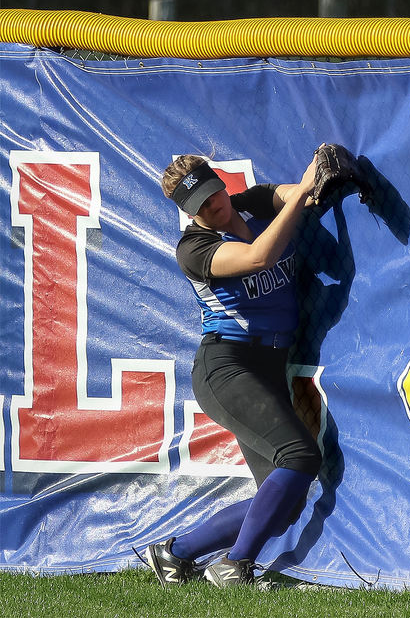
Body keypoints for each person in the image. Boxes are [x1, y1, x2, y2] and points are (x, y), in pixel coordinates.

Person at [144, 153, 323, 587]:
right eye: (200, 206)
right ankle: (235, 566)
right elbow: (260, 257)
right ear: (188, 213)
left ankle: (174, 554)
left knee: (284, 507)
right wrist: (302, 189)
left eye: (213, 194)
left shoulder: (253, 202)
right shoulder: (194, 249)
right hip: (227, 367)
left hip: (268, 365)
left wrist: (317, 177)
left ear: (220, 183)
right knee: (300, 457)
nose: (212, 207)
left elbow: (294, 196)